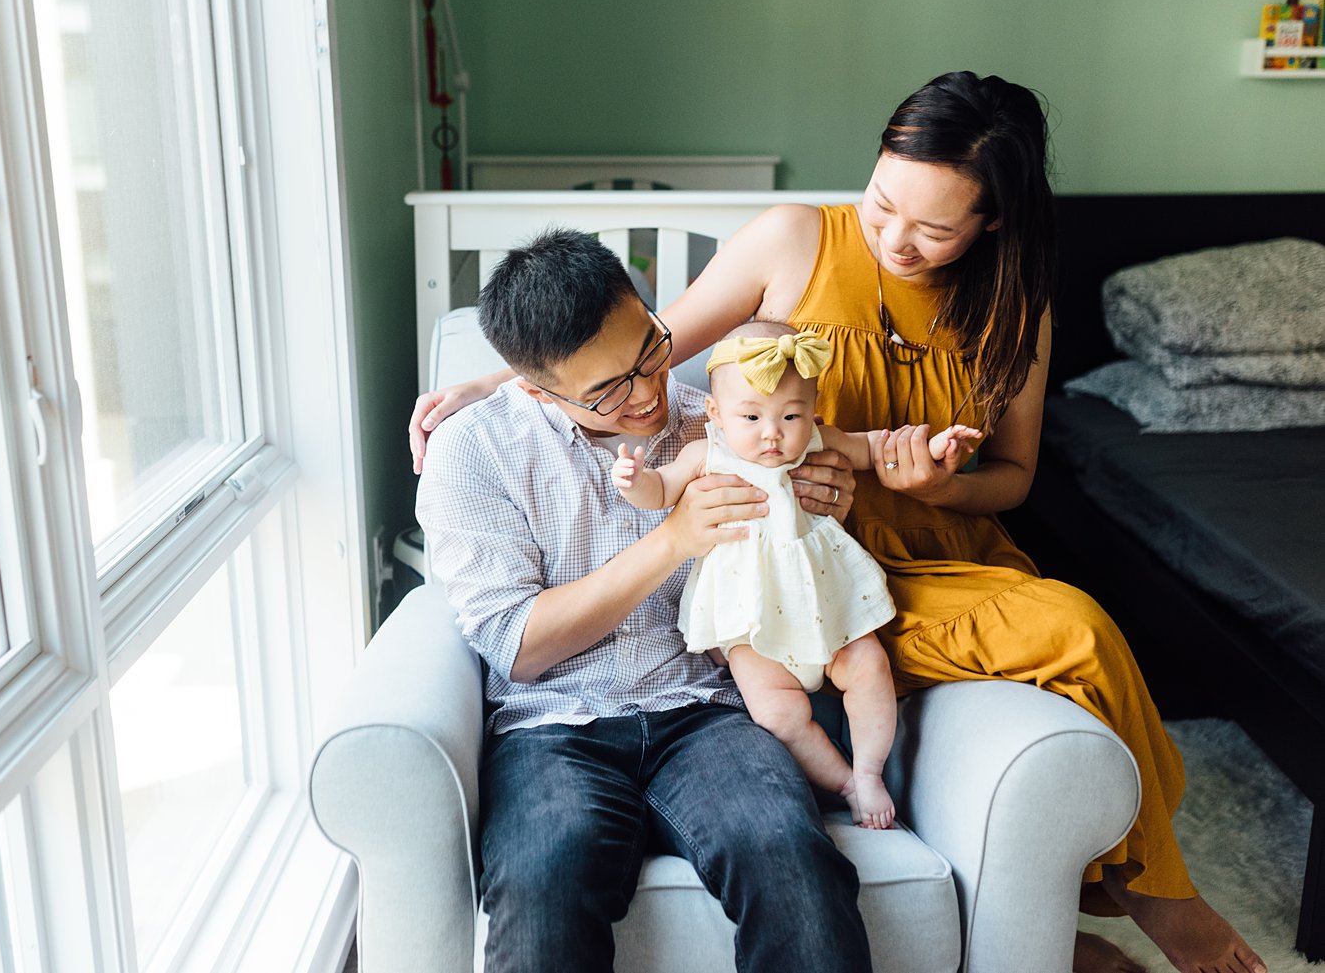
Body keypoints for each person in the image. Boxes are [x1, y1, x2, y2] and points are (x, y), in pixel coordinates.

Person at [409, 72, 1267, 973]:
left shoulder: (992, 315)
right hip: (734, 615)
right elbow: (629, 355)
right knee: (552, 882)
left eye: (932, 227)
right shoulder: (780, 258)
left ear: (992, 223)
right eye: (883, 201)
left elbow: (1009, 477)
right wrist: (488, 386)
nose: (895, 238)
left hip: (833, 612)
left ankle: (1125, 889)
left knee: (1069, 642)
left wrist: (930, 483)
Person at [415, 228, 873, 972]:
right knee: (542, 891)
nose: (649, 391)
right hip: (550, 727)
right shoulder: (474, 451)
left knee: (794, 860)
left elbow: (807, 536)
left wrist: (830, 497)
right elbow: (517, 645)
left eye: (651, 350)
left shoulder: (724, 424)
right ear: (533, 388)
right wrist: (672, 539)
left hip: (707, 713)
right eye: (608, 390)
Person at [611, 319, 981, 830]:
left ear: (813, 410)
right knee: (776, 715)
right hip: (751, 616)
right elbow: (659, 492)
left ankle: (871, 772)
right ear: (716, 414)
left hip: (826, 599)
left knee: (869, 669)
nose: (772, 433)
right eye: (751, 416)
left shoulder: (815, 441)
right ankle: (843, 781)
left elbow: (876, 449)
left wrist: (934, 449)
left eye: (791, 414)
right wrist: (634, 482)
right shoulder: (706, 453)